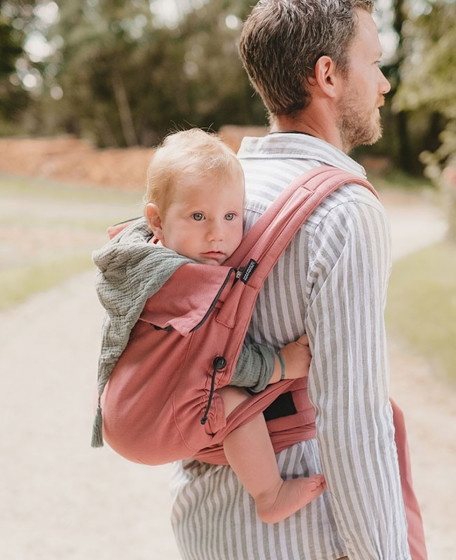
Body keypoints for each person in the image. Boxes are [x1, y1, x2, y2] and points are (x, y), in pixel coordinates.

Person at [170, 1, 426, 559]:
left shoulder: (214, 194)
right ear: (327, 75)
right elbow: (354, 423)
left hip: (207, 521)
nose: (384, 84)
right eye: (374, 63)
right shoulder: (343, 211)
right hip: (305, 534)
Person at [95, 128, 326, 524]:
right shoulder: (184, 285)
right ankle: (269, 494)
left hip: (126, 410)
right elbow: (217, 363)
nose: (217, 233)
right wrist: (282, 365)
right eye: (198, 216)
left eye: (231, 216)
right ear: (157, 220)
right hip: (148, 427)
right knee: (235, 405)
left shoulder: (141, 259)